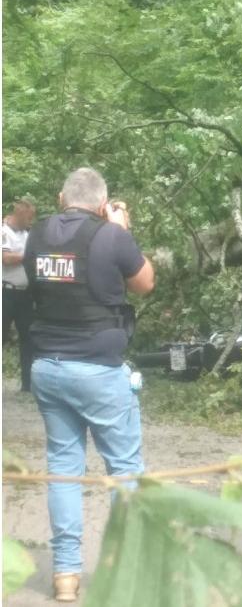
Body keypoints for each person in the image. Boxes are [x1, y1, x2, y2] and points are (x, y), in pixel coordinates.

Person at [24, 168, 154, 602]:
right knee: (124, 469)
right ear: (102, 203)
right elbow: (145, 283)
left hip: (47, 367)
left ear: (62, 197)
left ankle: (65, 575)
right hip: (98, 368)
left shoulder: (36, 235)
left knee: (63, 469)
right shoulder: (110, 235)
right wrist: (119, 229)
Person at [3, 199, 37, 391]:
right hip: (6, 292)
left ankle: (27, 384)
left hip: (25, 295)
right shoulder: (3, 231)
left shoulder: (27, 233)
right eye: (29, 217)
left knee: (28, 338)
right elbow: (6, 258)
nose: (31, 221)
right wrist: (28, 255)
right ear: (21, 214)